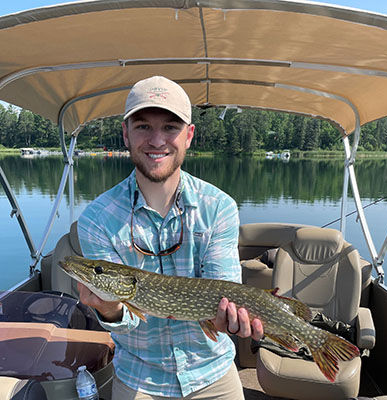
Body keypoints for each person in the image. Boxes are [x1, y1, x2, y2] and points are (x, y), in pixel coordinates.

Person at [77, 75, 264, 399]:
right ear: (125, 133)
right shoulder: (97, 219)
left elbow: (223, 290)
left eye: (170, 127)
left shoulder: (219, 207)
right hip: (139, 378)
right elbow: (126, 316)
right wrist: (109, 310)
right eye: (143, 126)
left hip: (212, 374)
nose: (156, 140)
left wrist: (229, 321)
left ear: (189, 135)